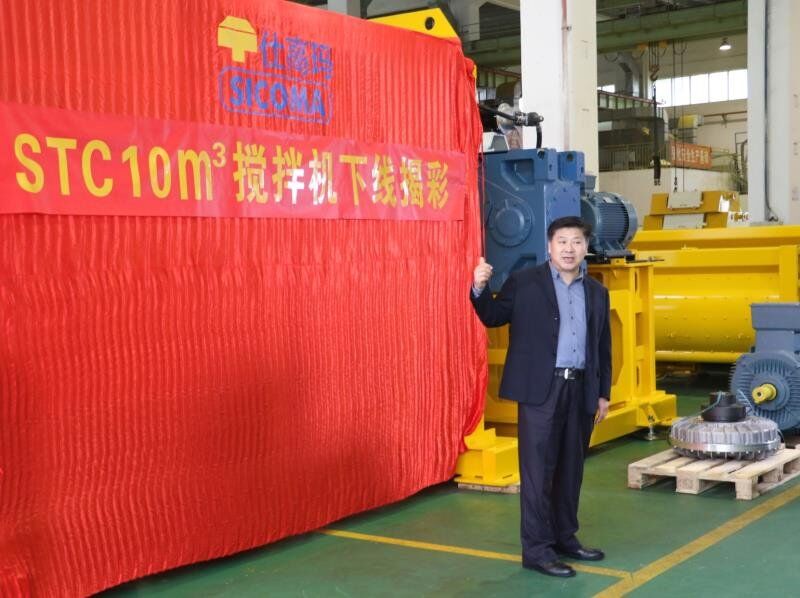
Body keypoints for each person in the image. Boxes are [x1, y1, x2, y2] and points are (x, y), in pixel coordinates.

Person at [470, 216, 611, 578]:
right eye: (562, 241)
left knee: (571, 469)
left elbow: (602, 347)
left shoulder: (597, 292)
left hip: (580, 389)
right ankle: (536, 550)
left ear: (586, 247)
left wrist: (603, 394)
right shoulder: (525, 282)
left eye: (576, 241)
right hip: (540, 391)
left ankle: (565, 538)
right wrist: (479, 288)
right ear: (549, 246)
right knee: (538, 473)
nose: (569, 248)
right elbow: (493, 316)